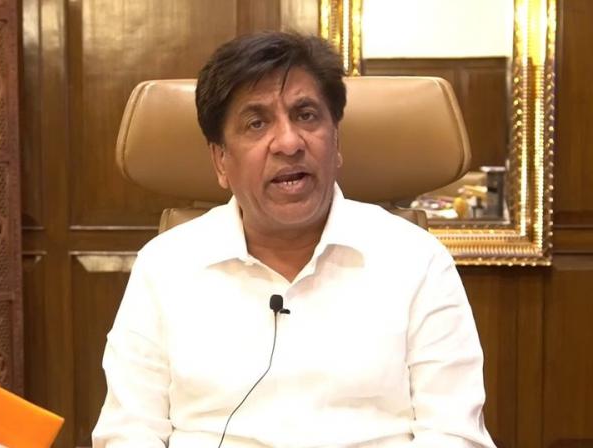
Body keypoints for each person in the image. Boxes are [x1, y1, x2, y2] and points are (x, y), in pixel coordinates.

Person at [92, 31, 496, 447]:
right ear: (221, 160)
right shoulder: (165, 265)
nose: (288, 142)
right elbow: (129, 431)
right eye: (256, 123)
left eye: (306, 115)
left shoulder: (416, 259)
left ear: (336, 141)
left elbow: (454, 434)